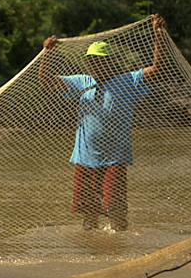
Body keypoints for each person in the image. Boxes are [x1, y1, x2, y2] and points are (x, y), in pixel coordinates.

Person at [39, 14, 168, 231]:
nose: (95, 65)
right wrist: (47, 53)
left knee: (115, 212)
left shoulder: (128, 80)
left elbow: (158, 69)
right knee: (89, 214)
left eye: (100, 61)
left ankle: (119, 248)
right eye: (92, 61)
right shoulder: (82, 82)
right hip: (85, 157)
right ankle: (92, 245)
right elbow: (46, 81)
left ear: (110, 62)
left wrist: (158, 35)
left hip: (114, 158)